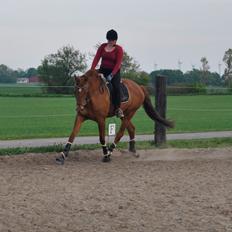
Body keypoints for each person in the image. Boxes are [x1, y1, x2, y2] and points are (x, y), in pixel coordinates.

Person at [91, 29, 124, 118]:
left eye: (113, 40)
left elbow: (118, 64)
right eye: (110, 40)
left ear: (115, 40)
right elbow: (96, 59)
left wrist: (111, 75)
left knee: (116, 88)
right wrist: (92, 70)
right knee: (90, 83)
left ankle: (118, 109)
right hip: (102, 70)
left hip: (114, 72)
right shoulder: (102, 47)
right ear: (108, 39)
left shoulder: (119, 49)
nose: (111, 42)